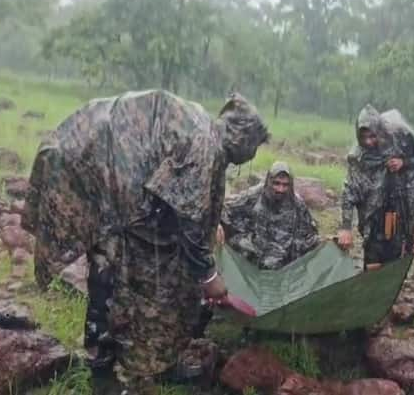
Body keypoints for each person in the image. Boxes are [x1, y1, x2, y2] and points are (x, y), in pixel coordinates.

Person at [23, 91, 269, 394]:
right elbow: (188, 221)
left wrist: (209, 221)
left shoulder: (202, 126)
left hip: (91, 163)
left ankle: (146, 360)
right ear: (241, 137)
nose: (253, 154)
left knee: (123, 274)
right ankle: (109, 372)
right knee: (114, 279)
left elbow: (178, 195)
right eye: (255, 145)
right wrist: (210, 276)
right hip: (93, 177)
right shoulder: (206, 145)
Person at [337, 105, 414, 269]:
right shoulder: (358, 157)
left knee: (396, 254)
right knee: (373, 255)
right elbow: (350, 190)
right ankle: (372, 288)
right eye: (364, 137)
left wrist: (404, 162)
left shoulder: (401, 139)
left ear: (380, 131)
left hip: (400, 209)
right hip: (373, 213)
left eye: (373, 136)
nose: (369, 142)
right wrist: (346, 227)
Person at [216, 161, 320, 269]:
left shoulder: (298, 205)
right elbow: (227, 208)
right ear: (269, 181)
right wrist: (217, 224)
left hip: (280, 257)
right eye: (276, 183)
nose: (280, 189)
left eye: (285, 185)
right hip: (253, 247)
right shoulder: (255, 194)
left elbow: (310, 236)